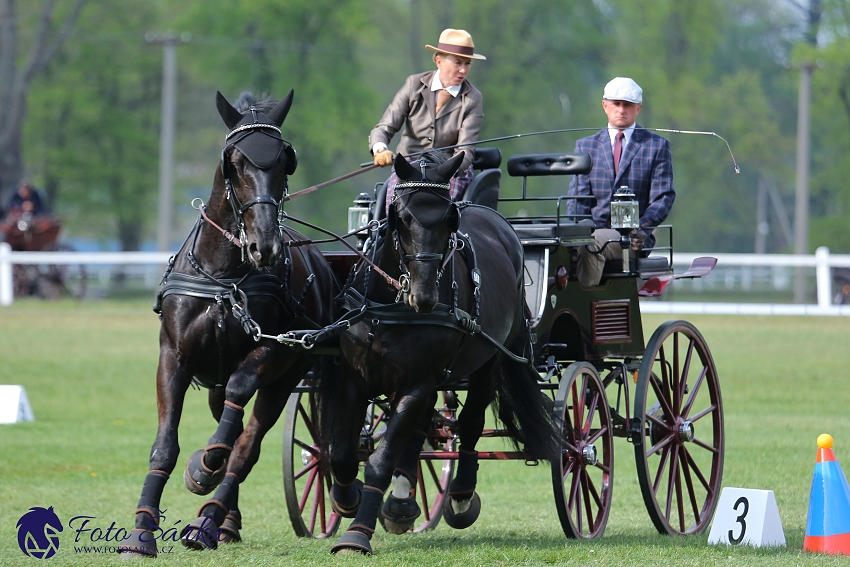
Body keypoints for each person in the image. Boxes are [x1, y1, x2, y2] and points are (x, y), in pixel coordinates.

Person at [567, 77, 675, 287]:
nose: (621, 110)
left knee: (594, 243)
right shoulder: (585, 146)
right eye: (616, 104)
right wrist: (575, 232)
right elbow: (577, 200)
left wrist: (642, 228)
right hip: (591, 231)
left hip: (632, 238)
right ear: (604, 105)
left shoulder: (656, 145)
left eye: (628, 105)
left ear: (638, 108)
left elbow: (663, 197)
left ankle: (585, 303)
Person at [369, 28, 485, 212]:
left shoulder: (472, 98)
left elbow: (465, 150)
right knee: (393, 213)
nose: (463, 70)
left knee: (440, 214)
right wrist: (380, 149)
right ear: (439, 61)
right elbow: (383, 128)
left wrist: (444, 171)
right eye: (457, 62)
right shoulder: (413, 85)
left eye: (467, 63)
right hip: (409, 169)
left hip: (449, 171)